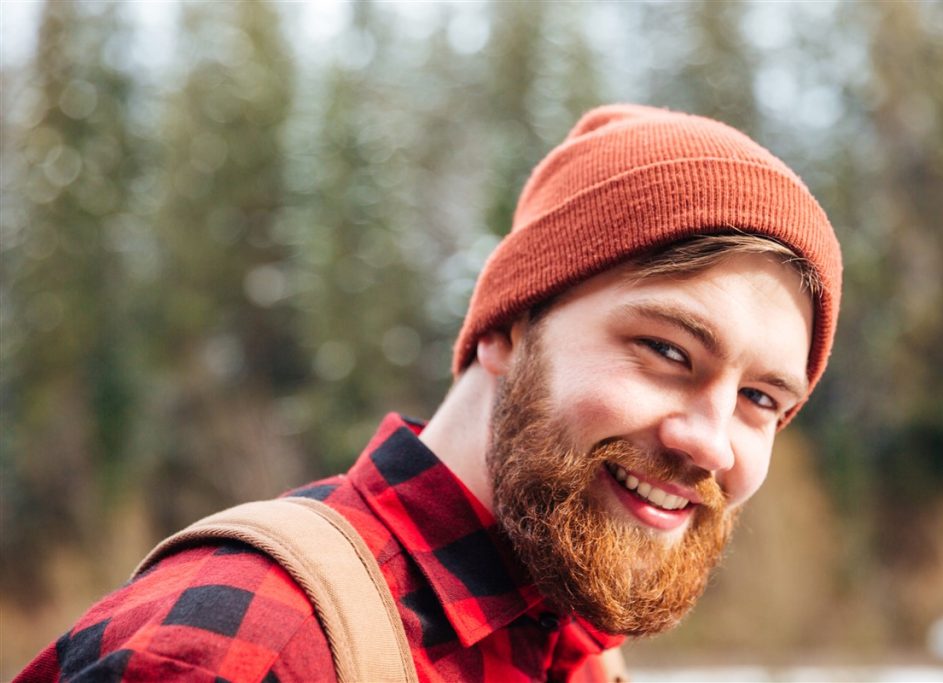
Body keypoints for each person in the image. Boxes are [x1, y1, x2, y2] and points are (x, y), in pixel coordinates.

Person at [17, 104, 842, 682]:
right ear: (509, 327)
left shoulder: (577, 648)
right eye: (667, 349)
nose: (712, 441)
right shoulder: (252, 647)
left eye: (764, 399)